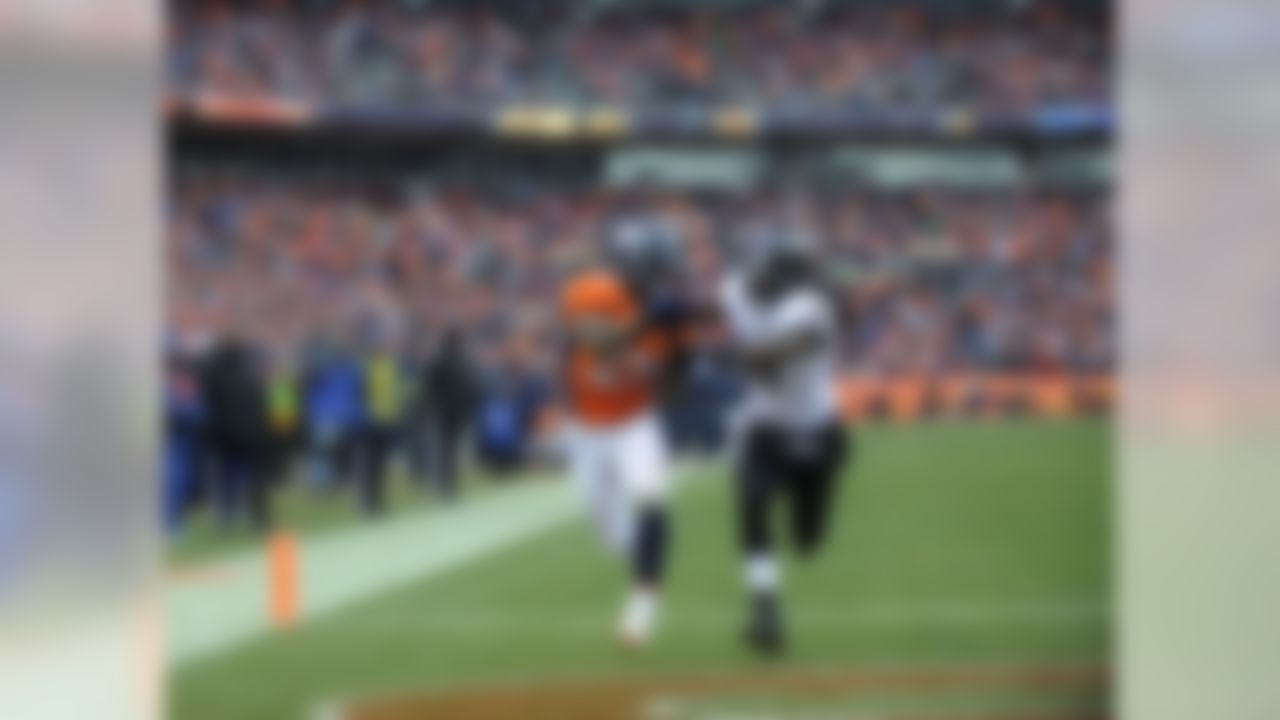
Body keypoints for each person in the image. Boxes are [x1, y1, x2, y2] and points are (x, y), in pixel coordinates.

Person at [717, 227, 851, 656]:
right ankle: (765, 608)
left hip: (814, 430)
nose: (759, 279)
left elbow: (780, 352)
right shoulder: (740, 291)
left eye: (768, 273)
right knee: (752, 507)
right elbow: (714, 309)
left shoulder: (808, 306)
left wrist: (744, 354)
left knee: (807, 540)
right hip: (767, 428)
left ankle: (803, 536)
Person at [558, 219, 690, 648]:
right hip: (589, 429)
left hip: (636, 421)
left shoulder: (666, 314)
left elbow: (672, 389)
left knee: (651, 497)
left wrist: (676, 360)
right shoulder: (591, 291)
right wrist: (645, 326)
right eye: (659, 269)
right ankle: (648, 559)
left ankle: (644, 602)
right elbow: (595, 339)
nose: (665, 279)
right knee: (612, 534)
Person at [200, 331, 272, 533]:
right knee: (253, 476)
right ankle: (256, 514)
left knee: (226, 477)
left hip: (225, 433)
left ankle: (227, 515)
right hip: (249, 431)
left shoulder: (212, 371)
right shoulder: (248, 370)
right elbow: (259, 400)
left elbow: (210, 404)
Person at [420, 328, 477, 500]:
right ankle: (445, 486)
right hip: (448, 411)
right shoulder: (454, 361)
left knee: (447, 451)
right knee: (446, 451)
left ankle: (446, 486)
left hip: (449, 411)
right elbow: (432, 387)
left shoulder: (447, 360)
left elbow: (430, 387)